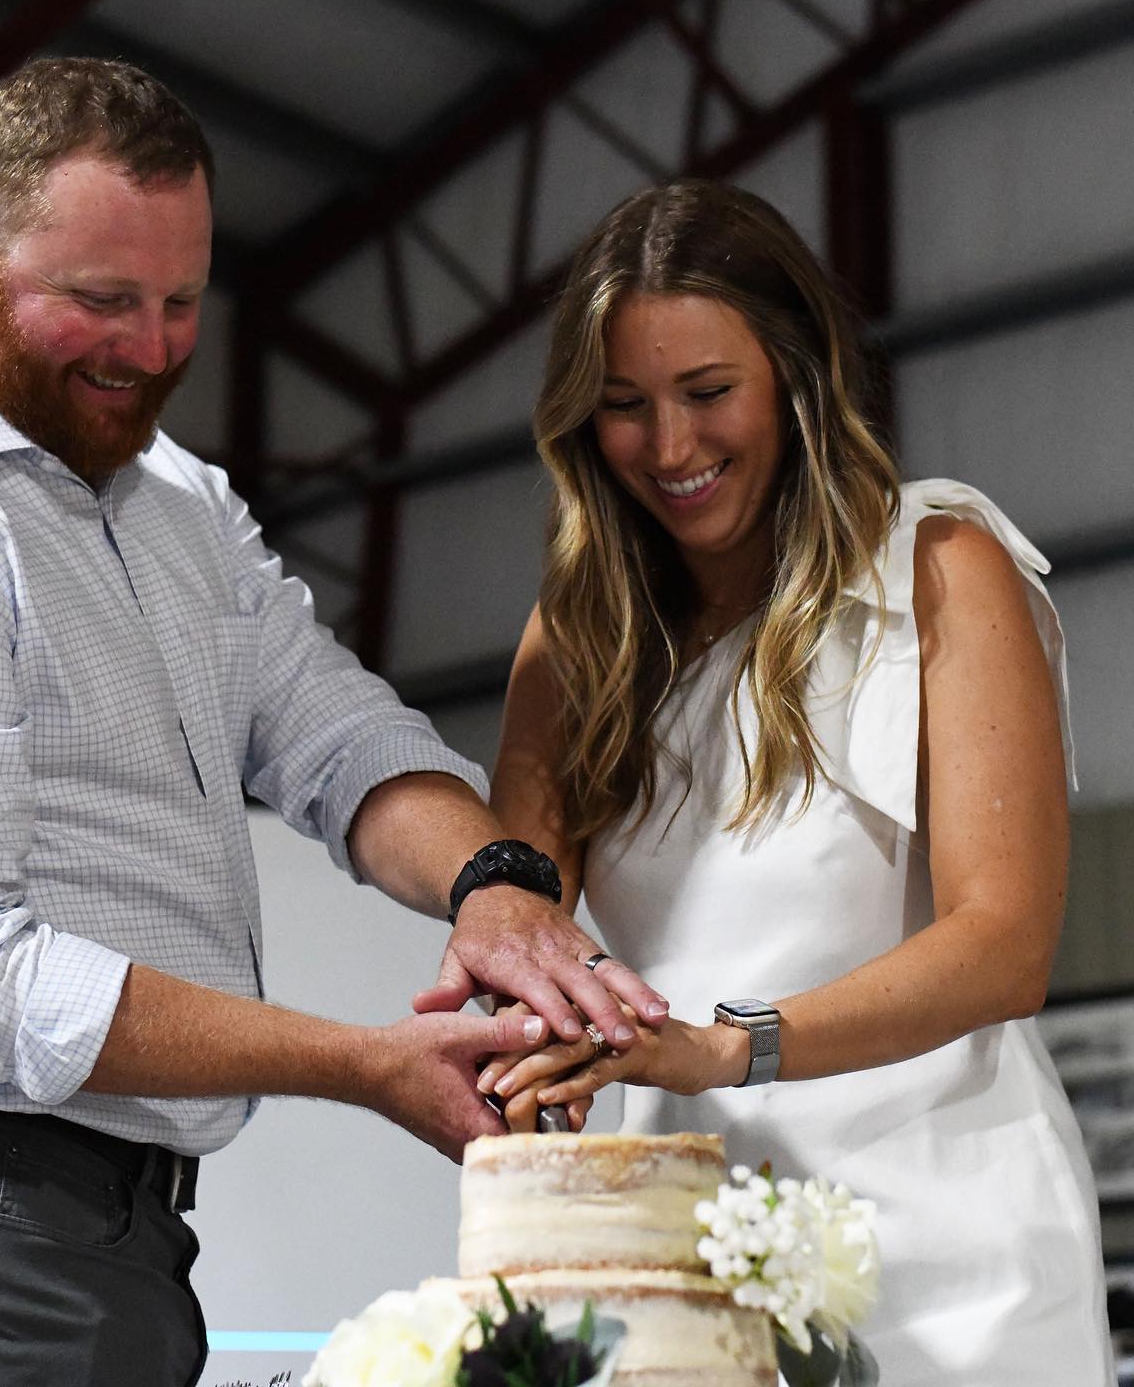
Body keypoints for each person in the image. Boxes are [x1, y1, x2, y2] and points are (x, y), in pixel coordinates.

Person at [0, 58, 668, 1387]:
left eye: (181, 302)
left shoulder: (177, 507)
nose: (152, 348)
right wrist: (364, 1063)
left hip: (100, 1235)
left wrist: (497, 885)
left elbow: (336, 735)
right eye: (102, 300)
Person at [473, 180, 1114, 1383]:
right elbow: (524, 929)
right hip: (683, 1245)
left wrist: (727, 1047)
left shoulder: (941, 566)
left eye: (708, 392)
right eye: (624, 406)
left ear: (797, 374)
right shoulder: (577, 639)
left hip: (954, 1258)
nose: (670, 447)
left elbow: (1005, 946)